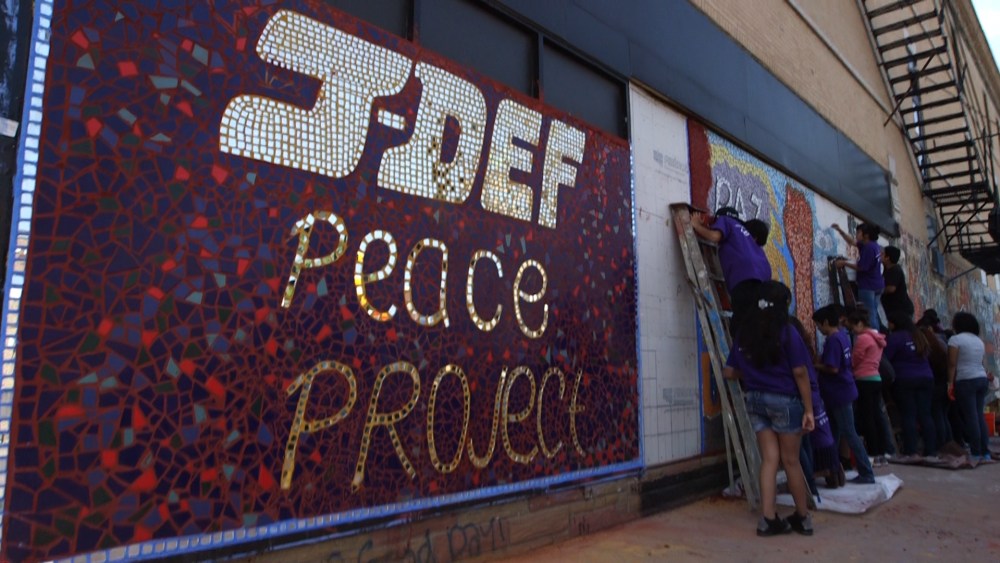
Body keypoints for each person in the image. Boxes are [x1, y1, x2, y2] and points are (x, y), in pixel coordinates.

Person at [723, 281, 814, 536]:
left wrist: (754, 374)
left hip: (755, 400)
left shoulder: (744, 333)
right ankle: (803, 517)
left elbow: (729, 371)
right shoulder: (787, 332)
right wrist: (808, 409)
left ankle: (768, 519)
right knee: (791, 461)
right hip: (785, 401)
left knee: (769, 460)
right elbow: (800, 372)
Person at [812, 305, 875, 485]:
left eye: (818, 325)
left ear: (826, 322)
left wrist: (815, 365)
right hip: (839, 392)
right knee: (834, 433)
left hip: (839, 392)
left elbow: (833, 368)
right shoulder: (842, 336)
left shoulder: (833, 340)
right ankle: (833, 470)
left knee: (849, 433)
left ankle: (866, 472)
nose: (819, 329)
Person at [692, 207, 772, 338]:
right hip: (764, 279)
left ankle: (741, 349)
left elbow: (714, 236)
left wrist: (697, 226)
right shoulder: (746, 236)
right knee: (756, 323)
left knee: (740, 326)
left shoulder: (725, 220)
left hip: (745, 278)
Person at [789, 315, 838, 494]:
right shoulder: (805, 348)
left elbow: (800, 374)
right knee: (807, 441)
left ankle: (808, 485)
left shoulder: (794, 349)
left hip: (803, 398)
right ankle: (811, 483)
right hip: (812, 396)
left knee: (800, 445)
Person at [883, 312, 938, 461]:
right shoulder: (919, 336)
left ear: (895, 324)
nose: (888, 325)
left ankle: (911, 451)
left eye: (889, 322)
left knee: (908, 415)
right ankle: (931, 451)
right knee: (925, 415)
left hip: (905, 379)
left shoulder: (895, 338)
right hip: (926, 378)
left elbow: (886, 359)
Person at [846, 306, 890, 466]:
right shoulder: (876, 337)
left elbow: (855, 359)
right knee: (876, 416)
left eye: (852, 327)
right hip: (875, 378)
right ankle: (882, 451)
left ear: (859, 323)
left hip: (863, 379)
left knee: (867, 417)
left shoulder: (863, 339)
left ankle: (872, 453)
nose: (852, 331)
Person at [947, 312, 992, 462]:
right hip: (981, 379)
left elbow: (952, 364)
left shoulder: (955, 339)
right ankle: (985, 452)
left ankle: (975, 452)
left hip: (966, 380)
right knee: (979, 416)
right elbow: (983, 362)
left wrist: (950, 384)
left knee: (971, 417)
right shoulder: (979, 341)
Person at [833, 223, 884, 329]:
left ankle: (872, 336)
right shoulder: (871, 245)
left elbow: (862, 267)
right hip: (876, 284)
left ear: (866, 235)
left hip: (868, 286)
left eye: (858, 232)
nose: (856, 234)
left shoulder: (869, 248)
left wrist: (844, 263)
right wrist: (840, 231)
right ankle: (876, 334)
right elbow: (852, 242)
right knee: (874, 313)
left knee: (869, 314)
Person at [917, 311, 953, 448]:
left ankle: (942, 444)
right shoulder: (940, 345)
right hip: (944, 384)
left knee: (937, 415)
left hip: (936, 385)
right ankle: (949, 443)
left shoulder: (928, 349)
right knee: (943, 415)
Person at [880, 246, 914, 322]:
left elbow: (891, 288)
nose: (880, 255)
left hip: (901, 310)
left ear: (887, 258)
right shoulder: (886, 268)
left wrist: (878, 290)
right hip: (893, 309)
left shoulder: (895, 270)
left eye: (882, 254)